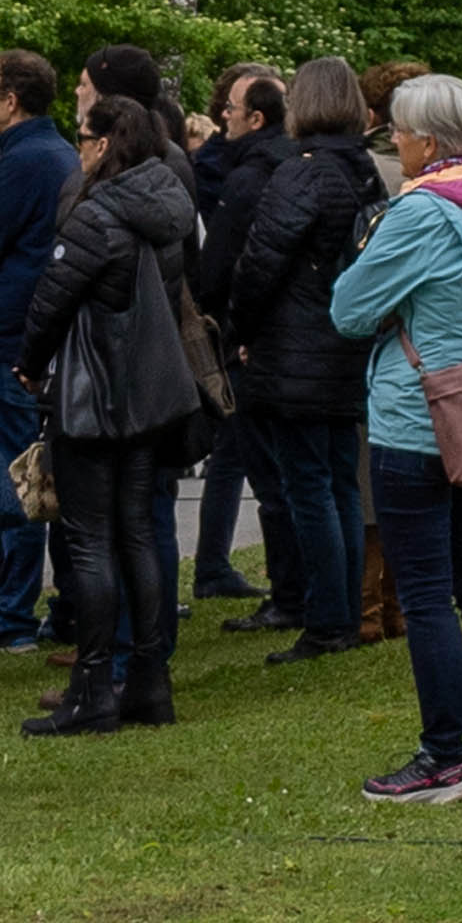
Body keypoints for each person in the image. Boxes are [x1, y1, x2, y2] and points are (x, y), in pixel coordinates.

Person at [326, 71, 462, 802]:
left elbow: (349, 309)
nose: (393, 140)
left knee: (426, 594)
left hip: (416, 416)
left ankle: (442, 757)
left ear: (427, 139)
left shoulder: (421, 211)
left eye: (399, 129)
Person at [12, 92, 209, 736]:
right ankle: (149, 680)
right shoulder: (167, 205)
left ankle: (94, 687)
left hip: (94, 394)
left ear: (102, 145)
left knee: (90, 541)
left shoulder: (98, 214)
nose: (77, 150)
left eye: (82, 138)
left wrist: (29, 363)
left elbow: (52, 301)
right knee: (137, 535)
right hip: (148, 392)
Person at [213, 60, 388, 660]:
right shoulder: (363, 171)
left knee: (308, 485)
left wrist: (241, 329)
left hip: (295, 345)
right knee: (338, 481)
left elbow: (261, 261)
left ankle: (329, 617)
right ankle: (344, 611)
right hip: (343, 339)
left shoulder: (303, 172)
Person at [0, 50, 74, 648]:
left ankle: (12, 615)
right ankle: (62, 607)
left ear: (12, 101)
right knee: (52, 475)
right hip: (47, 337)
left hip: (14, 339)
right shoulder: (59, 154)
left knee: (22, 480)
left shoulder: (24, 162)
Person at [185, 64, 290, 604]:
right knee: (246, 453)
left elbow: (228, 261)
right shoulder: (233, 168)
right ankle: (217, 564)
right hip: (244, 327)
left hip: (242, 329)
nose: (226, 116)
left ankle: (223, 566)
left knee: (252, 457)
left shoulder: (248, 172)